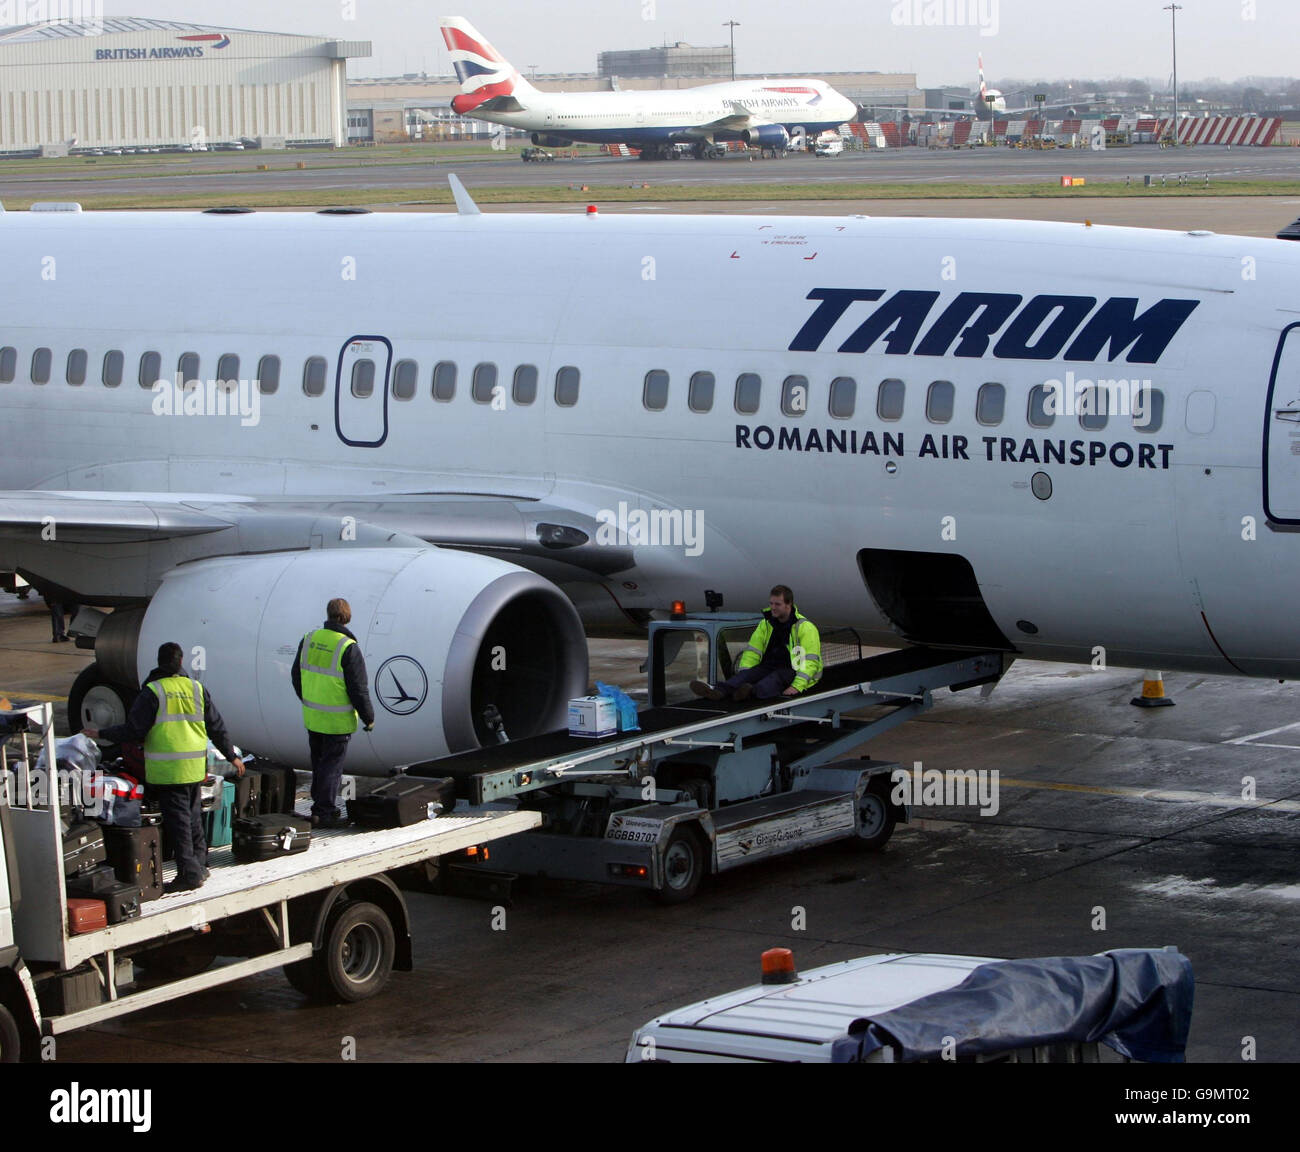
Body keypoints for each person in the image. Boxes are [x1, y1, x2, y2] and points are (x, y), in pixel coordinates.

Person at [84, 642, 244, 893]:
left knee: (179, 823)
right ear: (181, 663)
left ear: (159, 662)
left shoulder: (153, 691)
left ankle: (189, 875)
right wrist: (231, 756)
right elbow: (216, 726)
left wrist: (101, 732)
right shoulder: (196, 688)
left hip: (170, 770)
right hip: (194, 768)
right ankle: (201, 865)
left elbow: (135, 730)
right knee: (193, 820)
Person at [292, 598, 374, 829]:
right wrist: (368, 717)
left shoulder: (309, 639)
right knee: (331, 767)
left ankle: (320, 807)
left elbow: (296, 676)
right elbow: (358, 689)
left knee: (319, 764)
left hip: (313, 717)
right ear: (347, 617)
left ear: (328, 614)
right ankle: (325, 812)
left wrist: (307, 699)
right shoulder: (348, 647)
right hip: (337, 721)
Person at [691, 585, 822, 702]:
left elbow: (810, 661)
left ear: (789, 604)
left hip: (792, 670)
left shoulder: (805, 628)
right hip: (768, 666)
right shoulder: (766, 624)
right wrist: (745, 673)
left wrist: (797, 686)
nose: (773, 608)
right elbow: (753, 651)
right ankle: (718, 691)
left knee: (774, 679)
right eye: (771, 604)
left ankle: (751, 692)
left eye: (777, 604)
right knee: (748, 675)